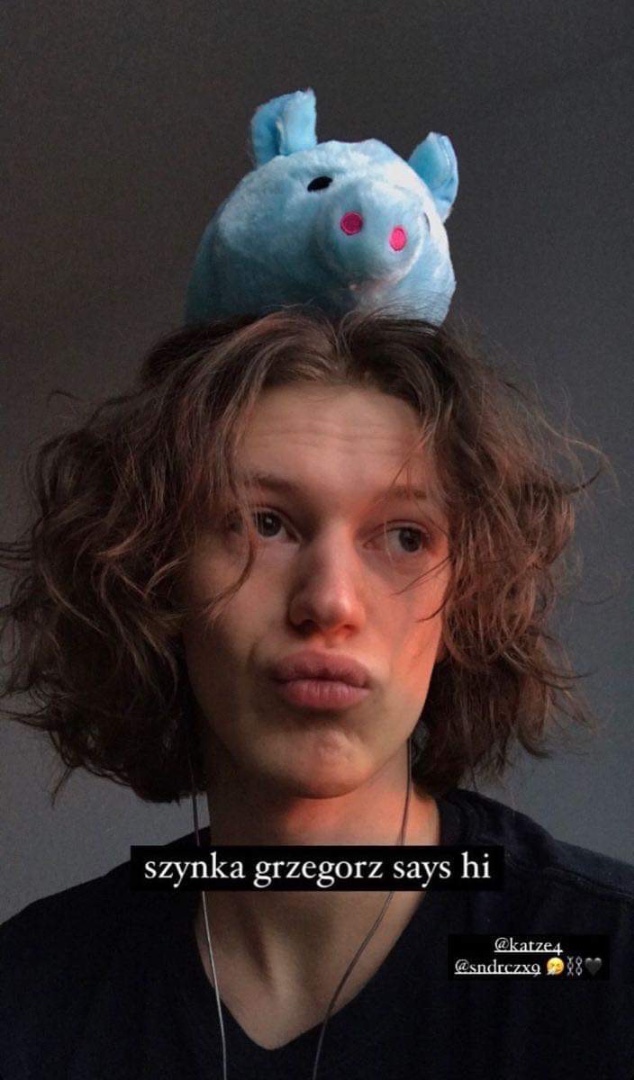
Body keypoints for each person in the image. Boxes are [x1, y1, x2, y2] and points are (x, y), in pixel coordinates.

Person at [0, 309, 632, 1079]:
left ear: (466, 598)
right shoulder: (32, 997)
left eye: (405, 536)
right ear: (156, 578)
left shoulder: (593, 967)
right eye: (265, 524)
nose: (330, 601)